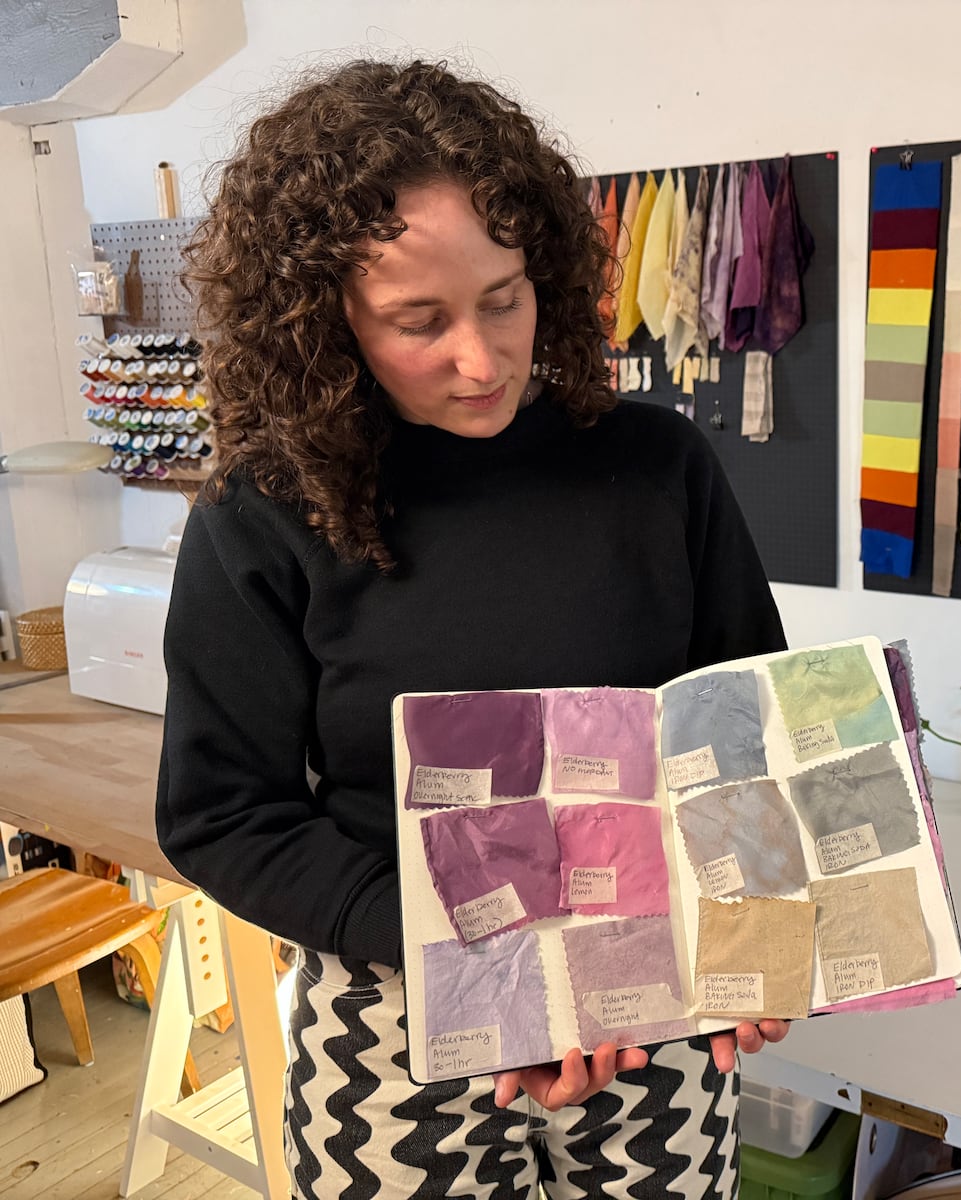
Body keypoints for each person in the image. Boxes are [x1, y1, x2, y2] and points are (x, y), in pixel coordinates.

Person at [156, 58, 788, 1200]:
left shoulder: (658, 468)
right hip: (393, 1011)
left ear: (542, 264)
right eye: (417, 321)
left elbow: (745, 736)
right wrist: (486, 958)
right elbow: (224, 816)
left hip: (652, 1001)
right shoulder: (267, 510)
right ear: (325, 318)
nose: (480, 358)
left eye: (503, 297)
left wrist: (759, 930)